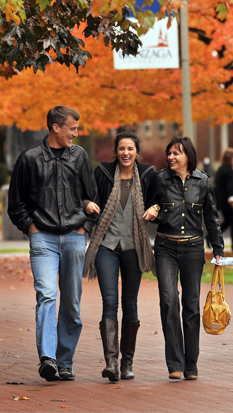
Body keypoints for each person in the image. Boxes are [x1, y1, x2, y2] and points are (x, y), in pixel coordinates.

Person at [8, 106, 98, 382]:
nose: (76, 133)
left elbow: (92, 198)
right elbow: (16, 204)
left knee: (71, 303)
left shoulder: (79, 156)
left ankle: (65, 361)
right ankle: (47, 358)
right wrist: (31, 227)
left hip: (74, 237)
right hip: (43, 239)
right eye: (72, 128)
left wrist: (85, 227)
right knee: (47, 294)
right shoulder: (30, 159)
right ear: (56, 127)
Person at [83, 131, 159, 381]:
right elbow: (88, 197)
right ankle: (111, 363)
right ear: (115, 151)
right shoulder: (102, 173)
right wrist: (87, 204)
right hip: (106, 246)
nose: (126, 153)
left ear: (137, 152)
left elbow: (160, 200)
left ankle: (127, 363)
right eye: (122, 149)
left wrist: (155, 207)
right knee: (109, 302)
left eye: (130, 149)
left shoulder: (148, 175)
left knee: (131, 304)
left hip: (134, 247)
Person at [154, 137, 223, 381]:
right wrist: (154, 210)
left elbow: (211, 218)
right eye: (169, 153)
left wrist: (218, 249)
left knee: (191, 307)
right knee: (168, 300)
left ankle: (191, 366)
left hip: (194, 249)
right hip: (165, 248)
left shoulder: (203, 181)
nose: (171, 157)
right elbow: (150, 205)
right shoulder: (160, 179)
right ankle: (175, 363)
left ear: (188, 156)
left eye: (176, 153)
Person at [215, 148, 233, 251]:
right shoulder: (229, 171)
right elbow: (231, 187)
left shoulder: (221, 169)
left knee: (229, 221)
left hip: (221, 200)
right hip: (228, 201)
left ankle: (212, 236)